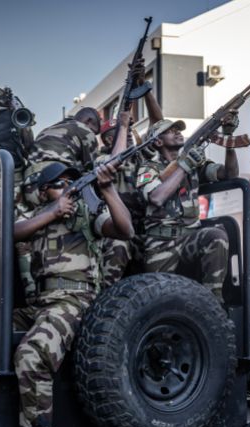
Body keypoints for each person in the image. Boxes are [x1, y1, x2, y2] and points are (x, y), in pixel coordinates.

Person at [0, 161, 133, 427]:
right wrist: (53, 212)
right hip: (43, 302)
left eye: (71, 182)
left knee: (31, 357)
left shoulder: (87, 214)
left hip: (76, 299)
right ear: (44, 191)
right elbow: (10, 235)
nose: (68, 187)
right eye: (59, 184)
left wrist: (108, 189)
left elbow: (125, 230)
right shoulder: (39, 217)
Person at [135, 113, 240, 302]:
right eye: (170, 131)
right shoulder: (148, 169)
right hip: (161, 242)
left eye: (178, 130)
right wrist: (184, 166)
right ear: (158, 142)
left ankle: (213, 301)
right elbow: (156, 198)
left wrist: (229, 138)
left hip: (190, 236)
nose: (177, 133)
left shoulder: (195, 163)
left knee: (217, 236)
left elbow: (229, 174)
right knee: (158, 301)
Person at [96, 56, 164, 288]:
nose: (125, 133)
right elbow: (114, 160)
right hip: (118, 232)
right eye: (114, 133)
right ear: (106, 139)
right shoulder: (102, 159)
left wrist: (143, 87)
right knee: (118, 247)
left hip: (146, 230)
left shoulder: (139, 156)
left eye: (126, 130)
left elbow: (159, 125)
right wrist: (123, 126)